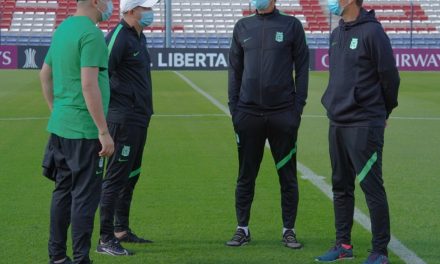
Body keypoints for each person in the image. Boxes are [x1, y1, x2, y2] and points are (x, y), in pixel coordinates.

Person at [315, 0, 400, 263]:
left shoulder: (373, 32)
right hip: (337, 121)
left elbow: (390, 77)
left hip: (364, 123)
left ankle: (379, 251)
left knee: (371, 187)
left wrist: (382, 112)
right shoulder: (337, 33)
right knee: (340, 186)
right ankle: (343, 245)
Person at [226, 0, 309, 249]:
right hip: (248, 115)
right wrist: (235, 110)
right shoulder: (242, 26)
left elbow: (303, 68)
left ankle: (289, 230)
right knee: (245, 175)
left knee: (287, 176)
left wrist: (297, 109)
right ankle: (242, 228)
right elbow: (234, 70)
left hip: (283, 114)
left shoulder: (291, 25)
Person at [39, 0, 115, 263]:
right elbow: (88, 84)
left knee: (62, 192)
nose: (110, 5)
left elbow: (44, 74)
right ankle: (82, 258)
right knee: (84, 197)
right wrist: (103, 131)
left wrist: (56, 110)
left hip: (61, 128)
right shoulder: (91, 33)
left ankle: (57, 257)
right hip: (83, 132)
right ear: (96, 2)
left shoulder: (63, 28)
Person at [96, 0, 159, 256]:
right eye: (146, 8)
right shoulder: (119, 37)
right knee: (115, 178)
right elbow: (101, 74)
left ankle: (121, 229)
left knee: (131, 175)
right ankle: (105, 238)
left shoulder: (138, 37)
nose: (150, 12)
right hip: (122, 119)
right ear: (131, 11)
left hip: (139, 117)